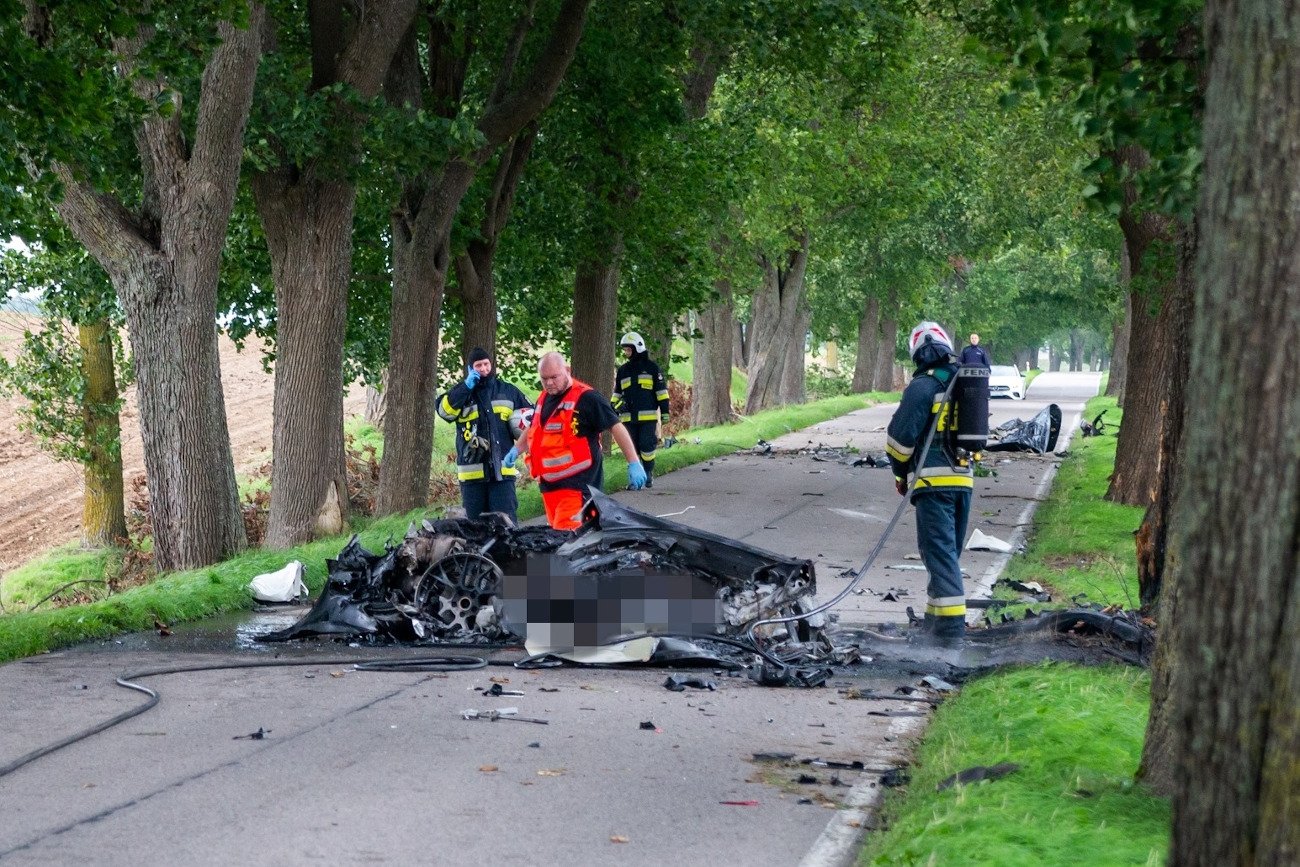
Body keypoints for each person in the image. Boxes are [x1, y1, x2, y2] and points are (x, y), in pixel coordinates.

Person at [886, 322, 974, 645]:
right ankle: (934, 629)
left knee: (941, 560)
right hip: (963, 481)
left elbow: (898, 440)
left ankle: (950, 643)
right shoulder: (964, 383)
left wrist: (900, 472)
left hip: (933, 486)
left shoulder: (922, 387)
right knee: (947, 558)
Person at [505, 351, 647, 530]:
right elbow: (534, 428)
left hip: (578, 490)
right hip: (550, 489)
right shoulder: (544, 397)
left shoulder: (587, 398)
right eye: (544, 378)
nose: (549, 383)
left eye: (554, 377)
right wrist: (516, 449)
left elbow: (616, 426)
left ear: (567, 370)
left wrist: (633, 461)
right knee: (560, 544)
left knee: (568, 547)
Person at [436, 346, 532, 523]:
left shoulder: (507, 390)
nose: (484, 369)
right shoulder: (461, 393)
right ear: (470, 368)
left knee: (506, 526)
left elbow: (532, 419)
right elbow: (443, 411)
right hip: (472, 478)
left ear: (491, 364)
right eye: (478, 365)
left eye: (486, 364)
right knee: (475, 529)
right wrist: (465, 387)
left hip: (502, 473)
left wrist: (522, 445)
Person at [611, 331, 671, 488]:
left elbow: (661, 393)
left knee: (646, 445)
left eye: (628, 349)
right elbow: (617, 392)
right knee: (632, 447)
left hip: (647, 418)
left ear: (637, 348)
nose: (626, 353)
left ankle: (648, 472)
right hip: (627, 417)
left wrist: (664, 412)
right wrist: (612, 407)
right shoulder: (623, 370)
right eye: (625, 350)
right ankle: (635, 479)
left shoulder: (652, 368)